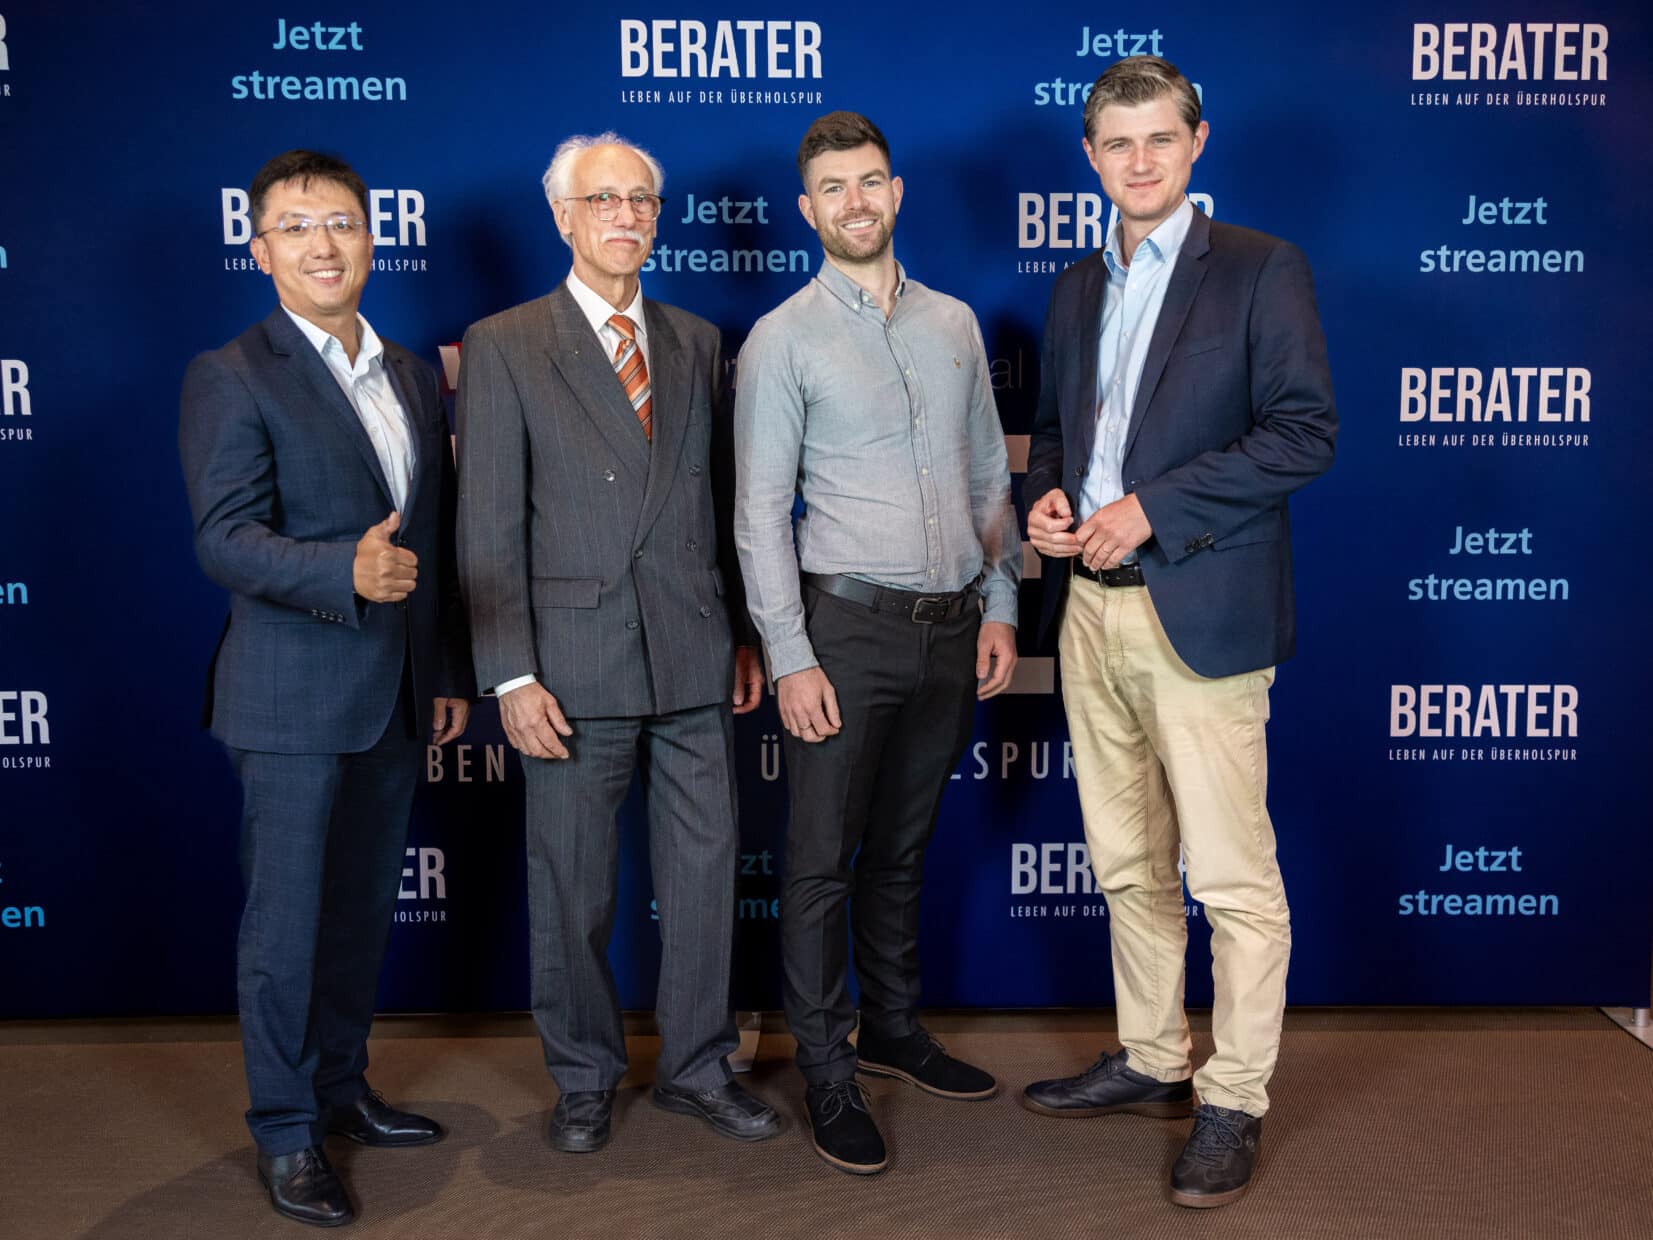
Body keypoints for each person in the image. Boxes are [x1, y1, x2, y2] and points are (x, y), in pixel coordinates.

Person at [1020, 56, 1338, 1208]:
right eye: (1118, 144)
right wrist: (1045, 501)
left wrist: (1153, 507)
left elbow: (1304, 435)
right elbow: (1062, 436)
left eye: (1160, 139)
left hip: (1201, 609)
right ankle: (1154, 1053)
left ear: (1196, 142)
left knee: (1235, 880)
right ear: (1091, 157)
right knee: (1127, 864)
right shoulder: (1073, 286)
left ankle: (1234, 1096)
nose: (1140, 161)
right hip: (1090, 619)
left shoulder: (1258, 268)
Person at [455, 132, 778, 1155]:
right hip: (569, 666)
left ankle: (695, 1066)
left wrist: (734, 633)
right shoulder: (506, 342)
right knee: (572, 889)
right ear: (563, 218)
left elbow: (715, 503)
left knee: (701, 880)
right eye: (603, 201)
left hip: (689, 652)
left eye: (641, 199)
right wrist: (509, 671)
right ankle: (585, 1075)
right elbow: (488, 525)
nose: (626, 217)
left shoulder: (692, 338)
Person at [179, 149, 475, 1228]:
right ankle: (288, 1131)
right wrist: (338, 572)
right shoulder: (232, 371)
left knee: (355, 916)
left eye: (342, 222)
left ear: (371, 236)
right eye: (297, 226)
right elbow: (223, 539)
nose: (323, 243)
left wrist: (440, 668)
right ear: (260, 249)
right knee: (285, 927)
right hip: (289, 696)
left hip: (393, 693)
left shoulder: (404, 369)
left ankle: (343, 1091)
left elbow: (430, 540)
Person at [733, 111, 1021, 1176]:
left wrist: (1001, 607)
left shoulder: (953, 323)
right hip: (842, 630)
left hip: (950, 630)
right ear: (808, 212)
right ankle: (826, 1063)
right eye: (832, 190)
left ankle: (894, 1030)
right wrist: (792, 653)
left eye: (869, 182)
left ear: (896, 193)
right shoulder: (782, 340)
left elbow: (992, 476)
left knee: (901, 852)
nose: (854, 202)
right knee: (817, 864)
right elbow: (759, 514)